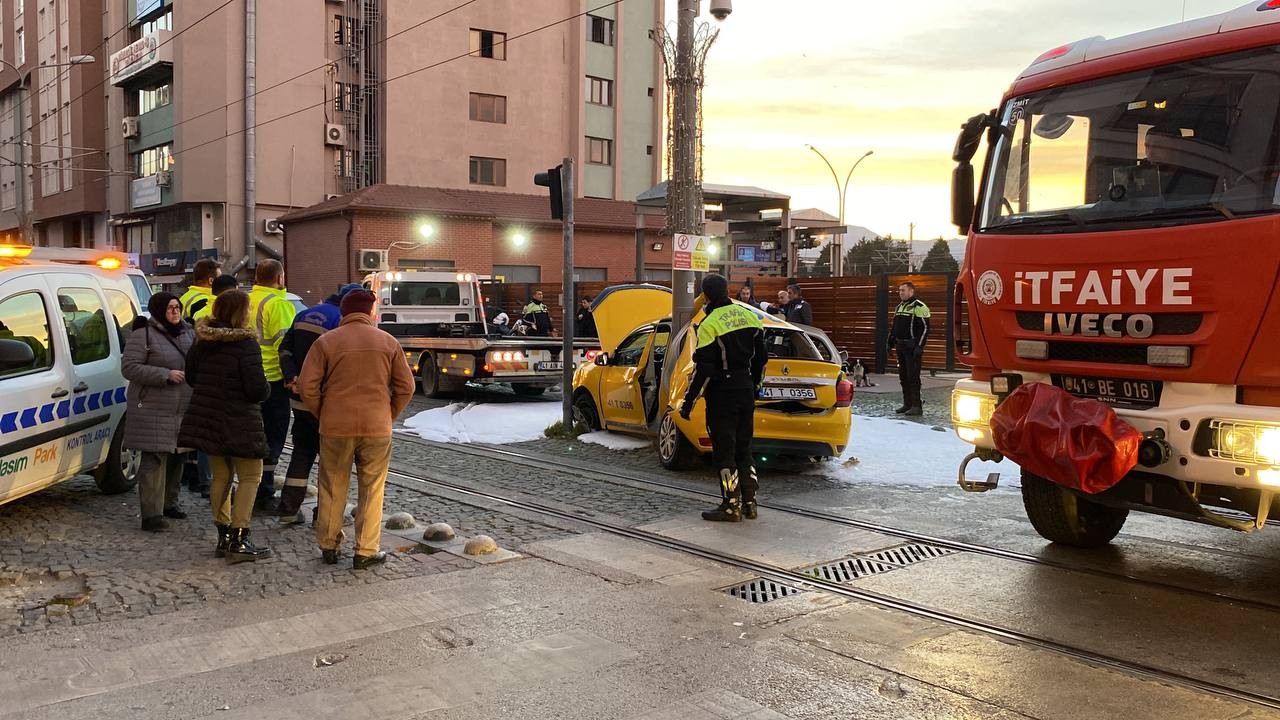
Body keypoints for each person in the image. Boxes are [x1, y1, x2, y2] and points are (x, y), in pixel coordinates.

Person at [299, 289, 415, 569]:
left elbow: (307, 386)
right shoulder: (388, 342)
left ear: (343, 312)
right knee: (373, 489)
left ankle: (328, 545)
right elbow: (406, 387)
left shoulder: (326, 342)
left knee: (332, 487)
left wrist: (323, 412)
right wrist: (388, 414)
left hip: (336, 426)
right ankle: (365, 550)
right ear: (371, 312)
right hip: (376, 427)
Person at [179, 290, 273, 563]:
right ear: (240, 313)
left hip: (209, 418)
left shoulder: (202, 341)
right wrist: (268, 389)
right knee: (250, 476)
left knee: (220, 476)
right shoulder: (246, 345)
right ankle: (240, 536)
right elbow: (256, 389)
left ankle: (222, 534)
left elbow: (192, 377)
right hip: (240, 419)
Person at [679, 274, 767, 523]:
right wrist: (756, 385)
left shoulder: (709, 324)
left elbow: (703, 370)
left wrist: (689, 402)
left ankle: (730, 505)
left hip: (722, 395)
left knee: (724, 452)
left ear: (705, 296)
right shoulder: (750, 316)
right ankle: (750, 503)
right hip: (746, 389)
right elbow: (762, 359)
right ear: (728, 290)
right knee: (744, 448)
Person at [277, 282, 364, 520]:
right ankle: (324, 513)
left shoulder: (304, 314)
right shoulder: (339, 322)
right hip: (325, 403)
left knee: (302, 451)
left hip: (298, 397)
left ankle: (288, 508)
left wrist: (291, 375)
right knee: (330, 459)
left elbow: (284, 349)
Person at [121, 293, 196, 532]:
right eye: (170, 308)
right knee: (154, 458)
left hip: (182, 406)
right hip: (153, 406)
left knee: (178, 455)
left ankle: (169, 503)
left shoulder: (189, 333)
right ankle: (151, 514)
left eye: (177, 307)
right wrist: (165, 375)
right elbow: (130, 367)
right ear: (158, 310)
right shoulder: (142, 334)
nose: (174, 312)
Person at [184, 272, 241, 497]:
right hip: (228, 388)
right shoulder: (234, 321)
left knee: (206, 436)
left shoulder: (199, 310)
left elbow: (192, 356)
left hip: (204, 385)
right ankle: (220, 484)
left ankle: (205, 480)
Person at [247, 259, 298, 510]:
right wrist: (293, 376)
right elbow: (287, 345)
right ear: (279, 278)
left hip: (247, 377)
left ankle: (249, 485)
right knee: (273, 437)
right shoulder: (277, 303)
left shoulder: (246, 300)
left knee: (252, 435)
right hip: (273, 379)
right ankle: (264, 492)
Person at [887, 281, 930, 417]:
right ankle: (907, 404)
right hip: (901, 346)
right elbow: (894, 327)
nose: (900, 292)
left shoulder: (919, 306)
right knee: (903, 377)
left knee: (913, 377)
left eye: (903, 290)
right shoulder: (899, 307)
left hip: (912, 348)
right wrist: (890, 342)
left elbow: (925, 329)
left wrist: (919, 346)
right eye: (899, 290)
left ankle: (917, 406)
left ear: (911, 291)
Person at [179, 258, 222, 323]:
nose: (222, 281)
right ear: (211, 281)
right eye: (220, 278)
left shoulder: (185, 297)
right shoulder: (207, 301)